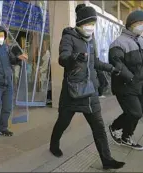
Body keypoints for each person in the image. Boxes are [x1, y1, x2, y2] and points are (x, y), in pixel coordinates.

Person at [49, 4, 125, 170]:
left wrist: (111, 68)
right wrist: (75, 57)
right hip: (72, 91)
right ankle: (54, 144)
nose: (91, 27)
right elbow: (63, 58)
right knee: (63, 122)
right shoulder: (69, 37)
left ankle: (107, 160)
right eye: (88, 23)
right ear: (80, 23)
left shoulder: (92, 40)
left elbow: (95, 62)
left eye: (93, 23)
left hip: (90, 91)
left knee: (99, 127)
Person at [108, 10, 143, 151]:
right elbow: (117, 63)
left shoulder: (142, 42)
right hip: (125, 85)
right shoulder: (118, 43)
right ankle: (115, 127)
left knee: (135, 113)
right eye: (139, 23)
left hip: (140, 86)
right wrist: (131, 77)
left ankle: (126, 137)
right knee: (135, 112)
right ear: (131, 24)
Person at [0, 25, 28, 136]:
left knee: (7, 107)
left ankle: (3, 128)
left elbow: (12, 60)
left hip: (8, 83)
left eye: (3, 36)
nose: (2, 38)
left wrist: (19, 58)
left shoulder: (6, 48)